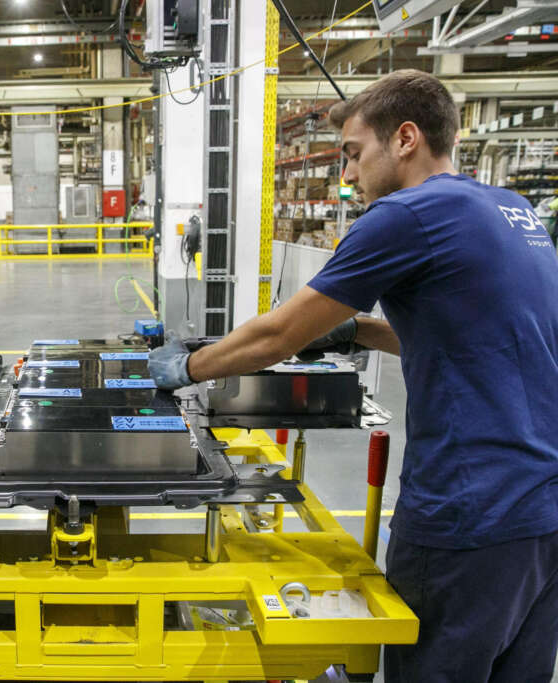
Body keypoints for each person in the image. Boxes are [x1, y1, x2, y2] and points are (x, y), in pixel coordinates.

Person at [149, 70, 558, 683]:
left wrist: (186, 366)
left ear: (406, 139)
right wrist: (359, 330)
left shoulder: (407, 214)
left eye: (353, 153)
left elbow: (278, 335)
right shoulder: (512, 210)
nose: (346, 174)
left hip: (469, 513)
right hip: (543, 515)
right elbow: (481, 338)